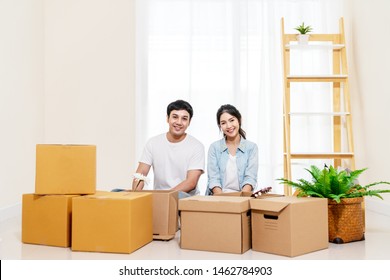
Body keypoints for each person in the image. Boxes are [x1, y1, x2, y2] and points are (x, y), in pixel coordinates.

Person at [131, 99, 205, 198]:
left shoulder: (196, 146)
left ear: (189, 122)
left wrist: (165, 197)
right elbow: (141, 173)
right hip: (160, 197)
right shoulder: (153, 143)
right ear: (167, 118)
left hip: (184, 198)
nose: (179, 122)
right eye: (175, 117)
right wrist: (134, 197)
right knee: (117, 191)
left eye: (184, 118)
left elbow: (191, 182)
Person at [206, 104, 258, 195]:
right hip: (218, 198)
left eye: (232, 120)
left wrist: (240, 201)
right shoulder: (214, 148)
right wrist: (223, 201)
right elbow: (214, 179)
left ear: (239, 120)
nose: (228, 126)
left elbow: (250, 178)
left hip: (242, 198)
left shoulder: (252, 147)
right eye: (223, 123)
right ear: (220, 126)